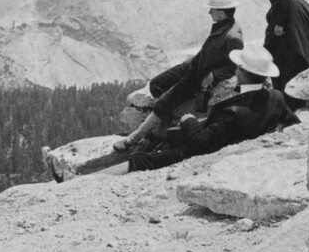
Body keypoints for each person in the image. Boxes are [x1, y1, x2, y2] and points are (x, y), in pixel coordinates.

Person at [102, 43, 299, 174]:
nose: (236, 70)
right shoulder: (277, 97)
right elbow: (293, 125)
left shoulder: (234, 112)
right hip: (229, 143)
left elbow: (200, 143)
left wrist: (189, 121)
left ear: (244, 73)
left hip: (202, 152)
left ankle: (92, 179)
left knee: (141, 160)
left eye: (239, 68)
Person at [112, 0, 243, 153]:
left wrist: (214, 75)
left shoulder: (233, 37)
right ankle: (160, 130)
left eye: (212, 10)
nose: (209, 12)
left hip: (197, 76)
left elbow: (233, 64)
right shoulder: (224, 25)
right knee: (156, 85)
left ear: (221, 12)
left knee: (165, 102)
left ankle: (134, 138)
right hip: (193, 65)